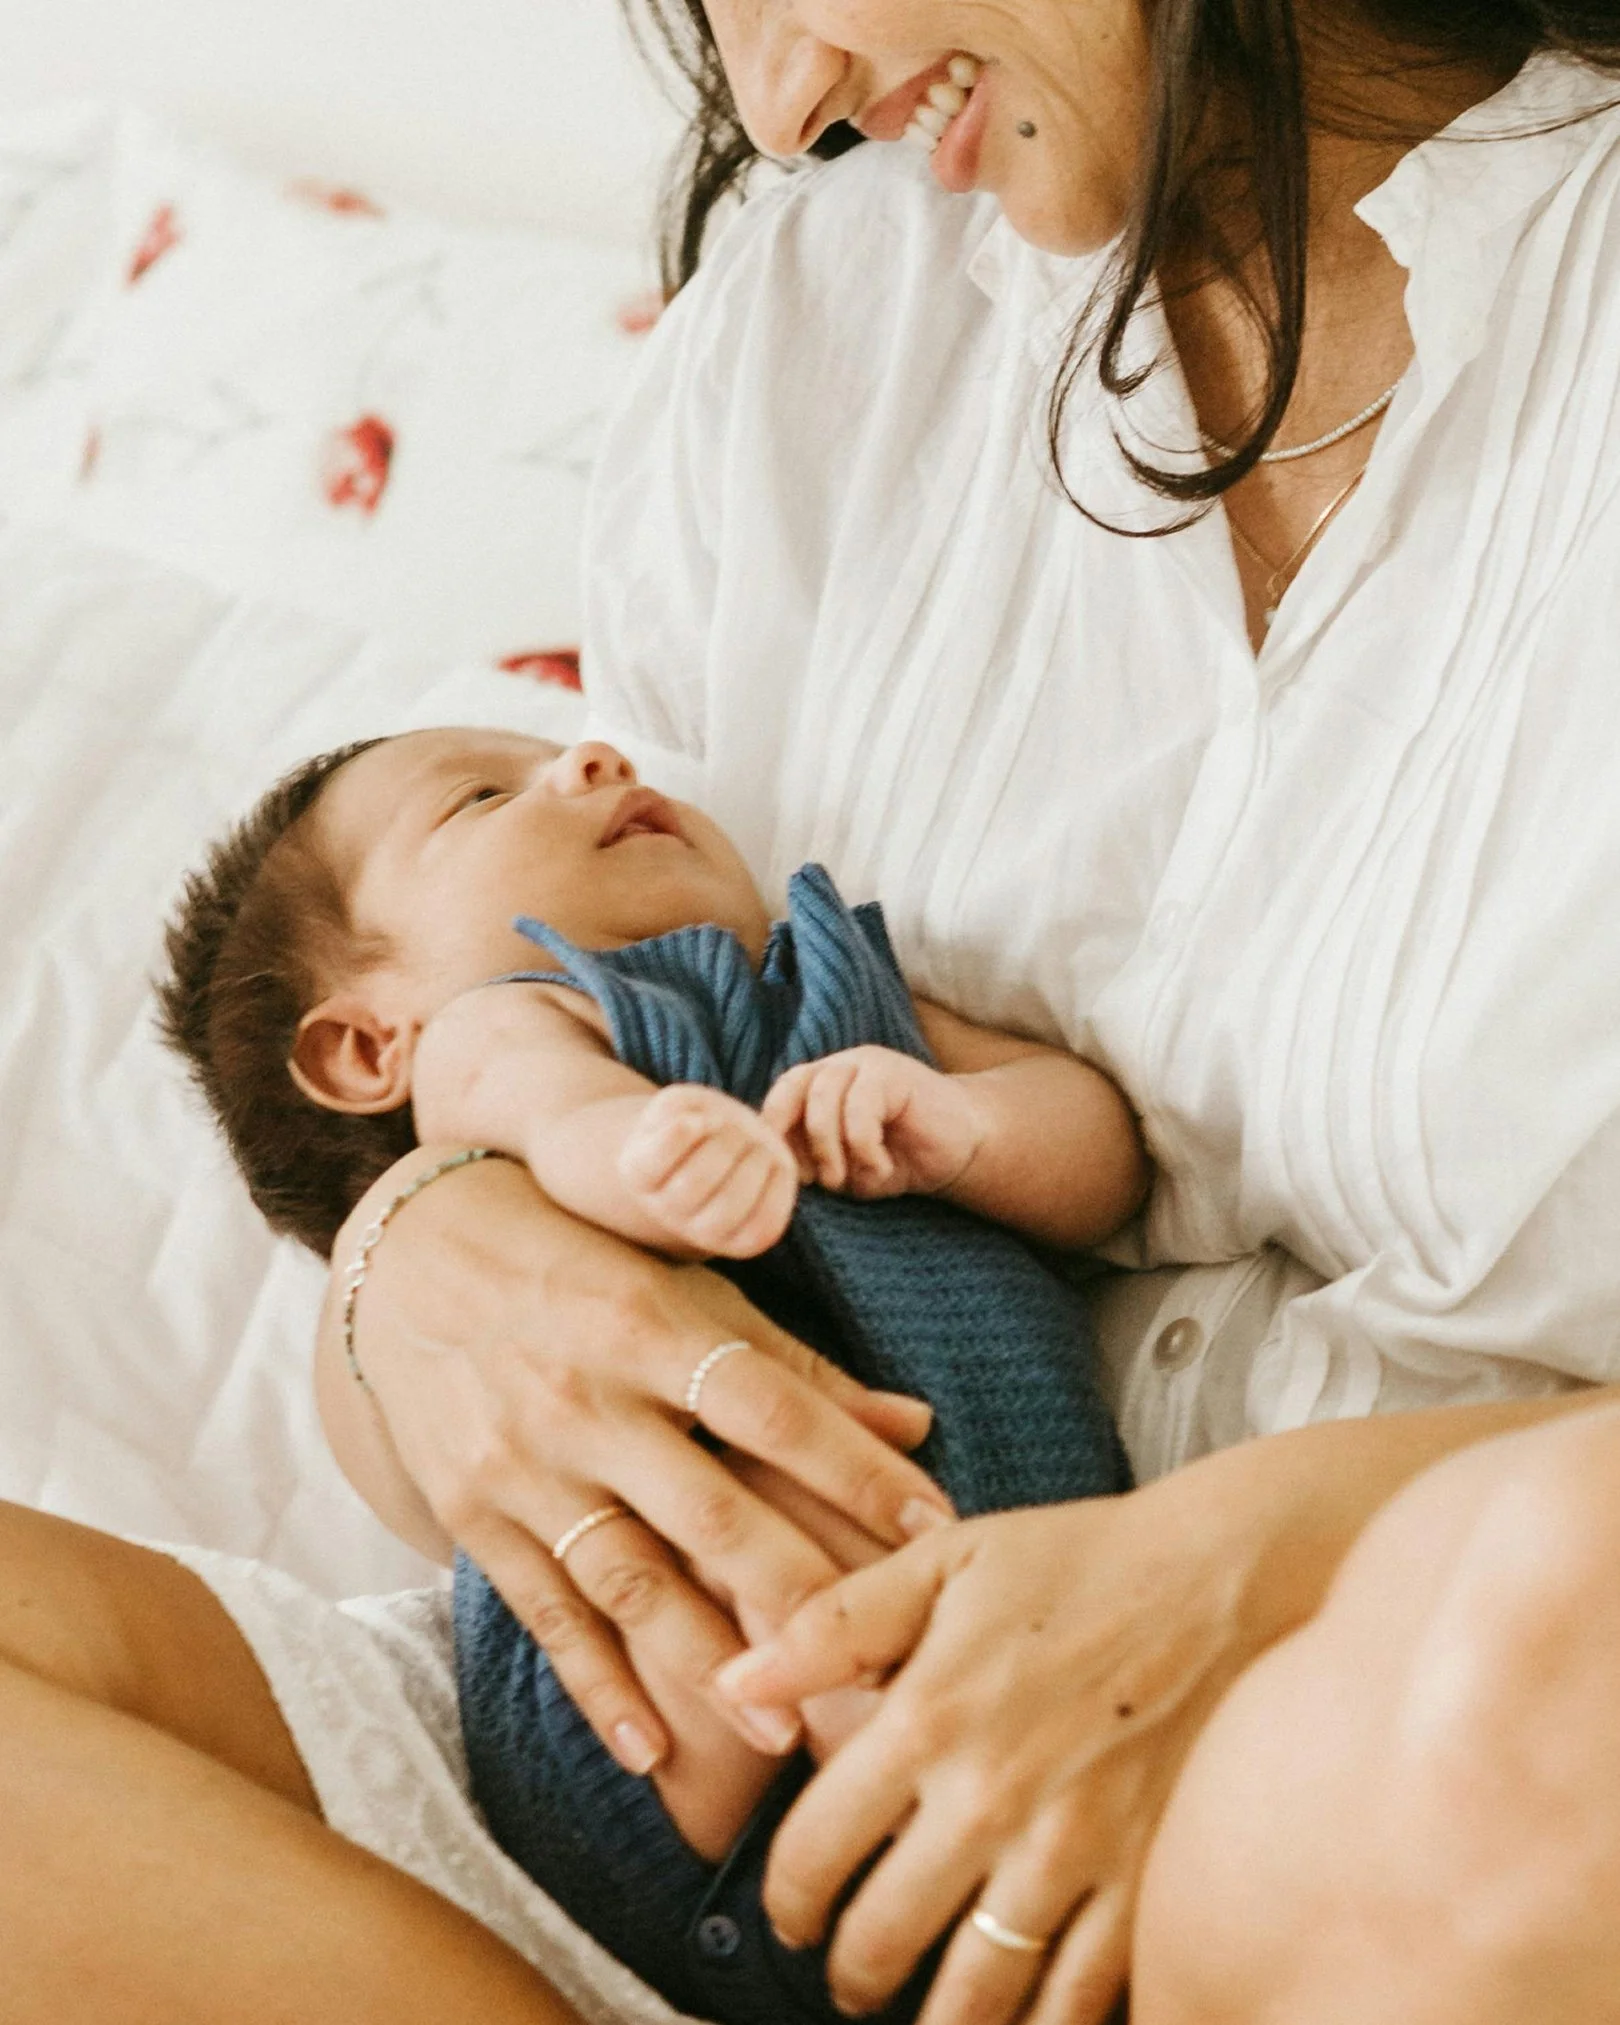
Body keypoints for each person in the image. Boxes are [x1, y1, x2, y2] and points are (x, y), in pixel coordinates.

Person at [9, 6, 1620, 2022]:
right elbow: (508, 1098)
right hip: (627, 1781)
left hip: (1320, 1741)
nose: (781, 110)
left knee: (1551, 1661)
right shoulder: (820, 323)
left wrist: (1242, 1568)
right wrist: (416, 1267)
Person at [153, 720, 1141, 2023]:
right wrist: (651, 1154)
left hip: (1039, 1607)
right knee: (743, 1528)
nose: (593, 758)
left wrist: (967, 1128)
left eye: (564, 750)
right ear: (369, 1046)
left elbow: (1104, 1160)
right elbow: (557, 1114)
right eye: (480, 798)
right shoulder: (504, 1031)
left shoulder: (842, 989)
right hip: (672, 1739)